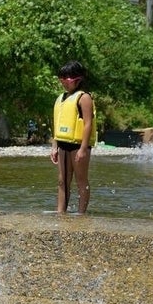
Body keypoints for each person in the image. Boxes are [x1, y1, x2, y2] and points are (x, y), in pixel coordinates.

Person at [50, 60, 96, 214]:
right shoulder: (61, 98)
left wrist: (83, 149)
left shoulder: (84, 97)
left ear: (78, 78)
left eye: (67, 78)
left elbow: (88, 124)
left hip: (78, 145)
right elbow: (57, 124)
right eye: (61, 78)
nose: (63, 82)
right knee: (62, 181)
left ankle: (81, 214)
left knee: (81, 180)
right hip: (63, 144)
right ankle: (61, 213)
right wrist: (54, 146)